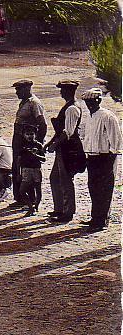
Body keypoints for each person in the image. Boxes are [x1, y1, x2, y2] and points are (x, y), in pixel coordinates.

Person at [80, 87, 123, 233]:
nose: (89, 105)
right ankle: (95, 217)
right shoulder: (90, 117)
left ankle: (102, 220)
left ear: (98, 101)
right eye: (87, 102)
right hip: (92, 157)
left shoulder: (107, 116)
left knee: (104, 190)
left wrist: (110, 157)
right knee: (94, 189)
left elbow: (116, 140)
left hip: (105, 157)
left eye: (92, 101)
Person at [44, 80, 86, 224]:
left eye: (63, 90)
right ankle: (59, 209)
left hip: (69, 149)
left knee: (66, 180)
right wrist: (49, 143)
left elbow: (67, 132)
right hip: (62, 148)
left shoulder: (72, 108)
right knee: (55, 178)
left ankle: (68, 213)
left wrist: (54, 145)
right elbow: (60, 130)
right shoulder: (68, 107)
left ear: (69, 91)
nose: (61, 92)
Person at [10, 79, 47, 207]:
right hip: (19, 140)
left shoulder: (34, 103)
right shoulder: (24, 103)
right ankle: (20, 199)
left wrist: (37, 144)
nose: (16, 92)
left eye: (18, 89)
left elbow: (42, 125)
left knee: (27, 171)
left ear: (27, 89)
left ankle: (30, 201)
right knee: (17, 168)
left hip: (27, 143)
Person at [17, 124, 46, 216]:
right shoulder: (22, 145)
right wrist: (18, 173)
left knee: (38, 190)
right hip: (26, 170)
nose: (30, 136)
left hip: (36, 170)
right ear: (24, 135)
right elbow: (18, 161)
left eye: (32, 134)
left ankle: (35, 207)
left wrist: (36, 155)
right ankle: (30, 207)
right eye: (28, 134)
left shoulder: (38, 145)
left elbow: (44, 159)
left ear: (35, 135)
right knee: (22, 191)